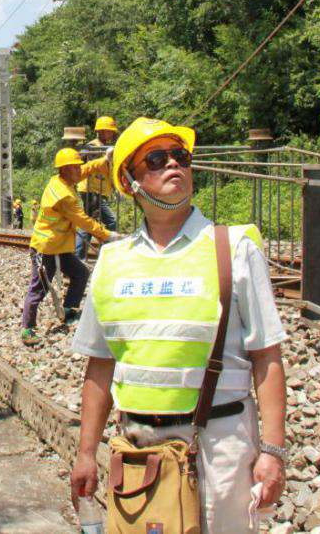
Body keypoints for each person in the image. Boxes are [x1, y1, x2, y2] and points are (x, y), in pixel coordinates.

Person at [69, 117, 287, 534]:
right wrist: (85, 452)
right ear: (130, 184)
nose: (173, 165)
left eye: (181, 156)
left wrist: (273, 452)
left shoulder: (234, 249)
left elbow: (267, 356)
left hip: (219, 447)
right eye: (155, 159)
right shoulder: (112, 263)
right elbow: (100, 366)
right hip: (137, 447)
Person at [20, 148, 120, 345]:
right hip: (46, 247)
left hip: (61, 245)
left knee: (80, 273)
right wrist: (108, 235)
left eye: (77, 166)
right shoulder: (63, 195)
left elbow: (87, 169)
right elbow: (83, 221)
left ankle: (69, 310)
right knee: (40, 288)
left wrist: (104, 160)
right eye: (74, 167)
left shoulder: (64, 179)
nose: (78, 171)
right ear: (65, 170)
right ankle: (28, 328)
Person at [75, 116, 121, 260]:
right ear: (102, 131)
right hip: (92, 190)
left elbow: (108, 172)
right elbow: (89, 161)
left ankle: (79, 258)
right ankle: (106, 256)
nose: (112, 134)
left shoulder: (105, 148)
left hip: (98, 191)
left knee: (88, 224)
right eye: (110, 131)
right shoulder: (93, 146)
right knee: (110, 222)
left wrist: (115, 188)